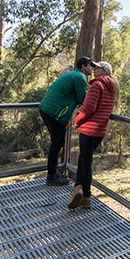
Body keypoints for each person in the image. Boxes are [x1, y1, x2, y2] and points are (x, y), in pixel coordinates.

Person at [68, 60, 118, 210]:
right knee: (84, 159)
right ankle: (78, 188)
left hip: (89, 129)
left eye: (97, 67)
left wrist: (77, 120)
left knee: (86, 161)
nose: (94, 69)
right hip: (100, 130)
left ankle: (86, 196)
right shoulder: (113, 86)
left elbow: (89, 107)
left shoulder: (97, 85)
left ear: (104, 70)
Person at [39, 56, 93, 186]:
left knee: (57, 142)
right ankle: (51, 175)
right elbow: (84, 99)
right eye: (90, 65)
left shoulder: (73, 74)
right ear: (83, 67)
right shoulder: (80, 77)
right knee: (57, 143)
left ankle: (53, 173)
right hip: (54, 112)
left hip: (47, 109)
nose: (92, 68)